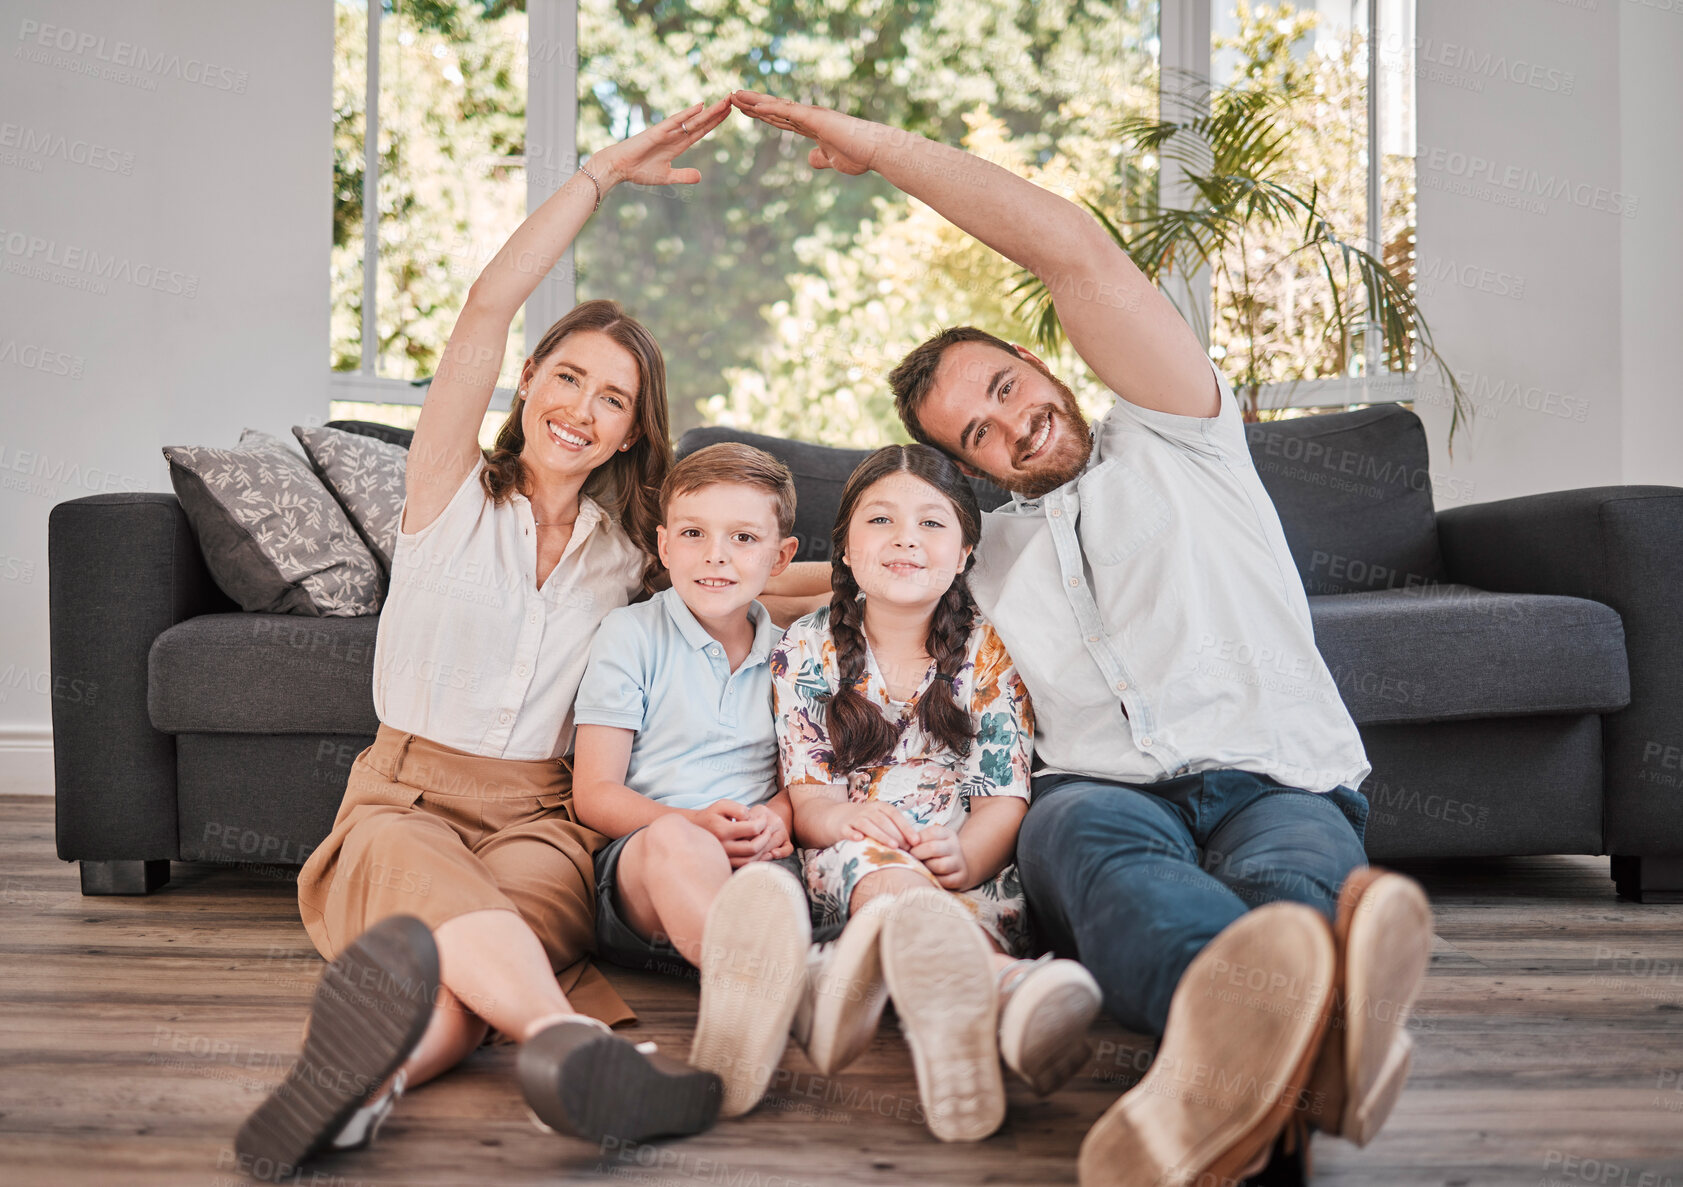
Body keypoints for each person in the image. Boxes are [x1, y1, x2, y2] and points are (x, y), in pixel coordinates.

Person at [735, 90, 1434, 1185]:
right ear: (969, 467)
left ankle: (1260, 1053)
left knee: (1288, 896)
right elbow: (858, 569)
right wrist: (718, 568)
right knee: (1104, 871)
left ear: (1039, 356)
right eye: (979, 433)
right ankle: (1323, 1045)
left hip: (1279, 774)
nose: (1015, 424)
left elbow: (1070, 246)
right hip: (1100, 795)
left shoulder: (1179, 432)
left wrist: (875, 146)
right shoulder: (982, 552)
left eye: (1008, 388)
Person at [235, 98, 737, 1180]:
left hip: (544, 818)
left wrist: (885, 564)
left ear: (632, 430)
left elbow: (754, 568)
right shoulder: (448, 486)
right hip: (403, 797)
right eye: (568, 375)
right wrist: (601, 173)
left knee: (458, 959)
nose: (583, 408)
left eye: (614, 399)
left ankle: (365, 1090)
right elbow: (489, 299)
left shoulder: (637, 552)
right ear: (528, 381)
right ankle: (573, 1046)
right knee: (457, 925)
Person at [772, 444, 1102, 1144]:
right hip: (855, 858)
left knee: (943, 916)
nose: (904, 538)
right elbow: (806, 801)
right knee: (881, 871)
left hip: (966, 865)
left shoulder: (990, 651)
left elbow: (1002, 797)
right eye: (880, 520)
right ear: (847, 549)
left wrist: (967, 857)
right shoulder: (804, 650)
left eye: (930, 523)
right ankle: (1006, 989)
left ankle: (933, 1022)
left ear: (963, 552)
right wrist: (844, 815)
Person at [570, 442, 815, 1120]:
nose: (715, 555)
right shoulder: (630, 635)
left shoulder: (797, 651)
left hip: (755, 866)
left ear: (780, 557)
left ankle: (750, 998)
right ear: (664, 546)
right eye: (693, 533)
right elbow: (593, 793)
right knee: (680, 842)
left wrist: (780, 815)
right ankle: (770, 987)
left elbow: (809, 773)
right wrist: (691, 824)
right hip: (648, 870)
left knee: (774, 888)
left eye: (742, 538)